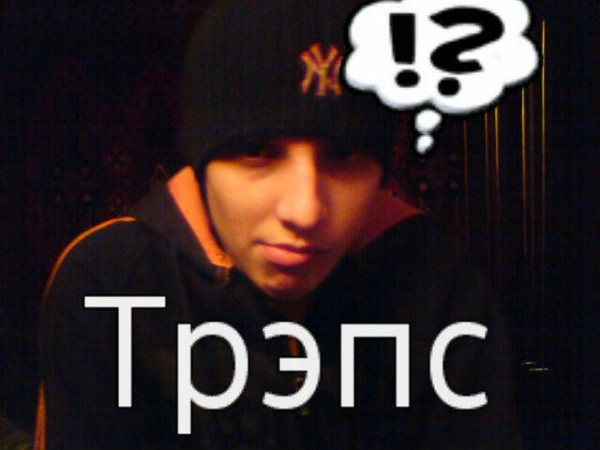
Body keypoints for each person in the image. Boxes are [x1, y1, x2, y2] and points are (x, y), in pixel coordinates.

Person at [37, 1, 521, 449]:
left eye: (343, 154)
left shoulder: (439, 276)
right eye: (257, 151)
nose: (306, 211)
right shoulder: (110, 281)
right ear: (202, 162)